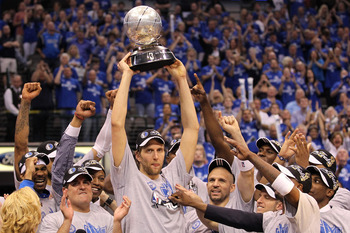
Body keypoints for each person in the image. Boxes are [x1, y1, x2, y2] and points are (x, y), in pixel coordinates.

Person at [110, 53, 199, 232]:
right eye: (149, 150)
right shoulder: (128, 177)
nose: (156, 155)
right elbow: (117, 125)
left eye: (159, 149)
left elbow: (191, 129)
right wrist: (127, 74)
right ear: (138, 156)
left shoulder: (174, 174)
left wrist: (182, 78)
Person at [39, 165, 131, 233]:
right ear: (65, 191)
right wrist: (67, 221)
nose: (82, 187)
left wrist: (117, 222)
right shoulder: (52, 220)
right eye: (75, 183)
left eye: (86, 182)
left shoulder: (108, 219)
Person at [306, 165, 350, 232]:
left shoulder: (346, 217)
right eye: (308, 180)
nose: (309, 184)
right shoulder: (293, 215)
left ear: (329, 192)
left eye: (316, 181)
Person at [3, 74, 22, 142]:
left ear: (21, 82)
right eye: (15, 81)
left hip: (22, 119)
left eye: (18, 81)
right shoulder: (9, 91)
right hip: (12, 118)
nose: (16, 83)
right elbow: (9, 105)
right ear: (12, 82)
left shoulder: (23, 90)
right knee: (11, 133)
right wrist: (18, 113)